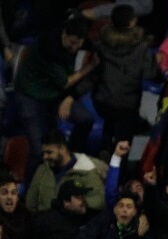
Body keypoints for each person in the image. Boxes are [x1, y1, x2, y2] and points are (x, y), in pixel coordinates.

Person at [13, 16, 97, 180]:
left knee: (85, 119)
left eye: (77, 43)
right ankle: (30, 191)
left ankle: (69, 166)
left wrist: (70, 98)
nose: (74, 47)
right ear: (64, 34)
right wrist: (90, 66)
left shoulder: (83, 42)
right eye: (71, 42)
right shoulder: (49, 46)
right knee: (39, 150)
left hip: (55, 94)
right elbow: (65, 82)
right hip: (30, 95)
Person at [91, 4, 158, 155]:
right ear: (132, 22)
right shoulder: (142, 47)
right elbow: (148, 75)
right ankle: (117, 172)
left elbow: (95, 72)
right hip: (127, 105)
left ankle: (104, 153)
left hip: (103, 101)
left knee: (109, 127)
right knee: (123, 143)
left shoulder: (101, 44)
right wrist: (155, 61)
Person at [26, 130, 108, 214]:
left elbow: (101, 199)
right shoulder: (43, 169)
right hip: (44, 222)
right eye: (44, 153)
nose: (45, 157)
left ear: (62, 149)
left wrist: (84, 202)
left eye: (49, 152)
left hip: (72, 223)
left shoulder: (85, 170)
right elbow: (30, 203)